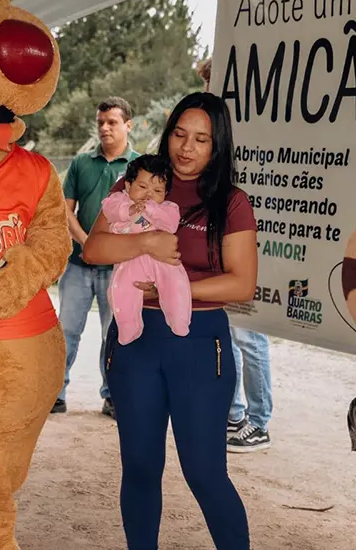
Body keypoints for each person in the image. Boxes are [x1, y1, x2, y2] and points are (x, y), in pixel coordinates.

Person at [83, 92, 257, 549]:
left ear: (217, 146)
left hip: (199, 344)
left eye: (202, 139)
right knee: (140, 466)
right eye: (180, 134)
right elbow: (94, 250)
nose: (186, 147)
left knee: (205, 472)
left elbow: (241, 285)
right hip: (135, 341)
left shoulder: (230, 202)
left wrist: (173, 292)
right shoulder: (135, 183)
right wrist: (144, 245)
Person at [197, 55, 275, 453]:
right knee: (226, 333)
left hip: (245, 236)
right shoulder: (214, 128)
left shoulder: (254, 124)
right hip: (218, 238)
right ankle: (235, 414)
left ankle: (259, 421)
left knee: (249, 334)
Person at [55, 96, 138, 418]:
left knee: (114, 334)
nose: (105, 128)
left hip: (118, 269)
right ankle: (55, 393)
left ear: (128, 125)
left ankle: (113, 397)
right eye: (101, 122)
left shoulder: (140, 167)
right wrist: (88, 243)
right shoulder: (81, 163)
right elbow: (66, 211)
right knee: (66, 332)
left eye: (112, 122)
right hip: (78, 264)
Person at [101, 154, 191, 343]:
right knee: (121, 292)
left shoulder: (168, 208)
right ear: (127, 185)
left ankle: (179, 320)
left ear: (165, 194)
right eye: (142, 187)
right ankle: (128, 328)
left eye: (157, 190)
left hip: (162, 261)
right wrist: (128, 211)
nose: (149, 194)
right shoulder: (120, 200)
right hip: (130, 259)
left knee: (176, 286)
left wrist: (151, 209)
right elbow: (108, 208)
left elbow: (171, 224)